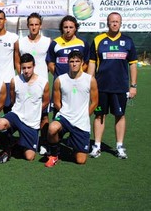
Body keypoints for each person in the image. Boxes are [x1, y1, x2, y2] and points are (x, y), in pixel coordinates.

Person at [87, 12, 138, 159]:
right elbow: (92, 63)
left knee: (120, 115)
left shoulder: (127, 41)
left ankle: (119, 146)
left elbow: (133, 65)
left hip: (120, 87)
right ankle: (96, 146)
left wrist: (133, 85)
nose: (114, 24)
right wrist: (90, 84)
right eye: (112, 21)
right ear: (107, 23)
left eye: (117, 21)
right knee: (99, 115)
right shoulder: (98, 40)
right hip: (100, 87)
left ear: (120, 23)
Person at [45, 51, 98, 167]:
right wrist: (65, 113)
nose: (74, 64)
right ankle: (54, 154)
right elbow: (57, 102)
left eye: (77, 61)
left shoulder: (90, 80)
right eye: (72, 61)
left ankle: (71, 141)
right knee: (52, 128)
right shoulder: (60, 79)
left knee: (80, 160)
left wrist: (85, 115)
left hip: (81, 122)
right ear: (68, 63)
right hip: (65, 117)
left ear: (82, 63)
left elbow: (94, 102)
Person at [0, 53, 50, 164]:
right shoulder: (15, 80)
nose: (26, 71)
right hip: (17, 116)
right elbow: (13, 99)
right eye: (24, 68)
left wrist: (34, 112)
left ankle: (17, 143)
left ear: (34, 66)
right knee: (1, 123)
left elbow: (45, 101)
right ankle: (7, 150)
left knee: (29, 157)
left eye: (29, 67)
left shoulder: (43, 82)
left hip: (32, 123)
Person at [18, 13, 52, 155]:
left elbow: (50, 62)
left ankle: (43, 142)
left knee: (43, 115)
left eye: (36, 24)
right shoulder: (20, 42)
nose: (34, 27)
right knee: (24, 114)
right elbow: (17, 61)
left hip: (41, 85)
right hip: (26, 84)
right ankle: (25, 141)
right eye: (31, 24)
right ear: (27, 26)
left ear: (40, 25)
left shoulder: (48, 41)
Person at [46, 15, 89, 81]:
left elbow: (86, 63)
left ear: (75, 28)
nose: (68, 30)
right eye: (65, 27)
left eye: (71, 27)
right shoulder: (55, 43)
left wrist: (76, 74)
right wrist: (59, 76)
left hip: (78, 81)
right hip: (60, 82)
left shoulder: (83, 43)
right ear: (62, 28)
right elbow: (50, 63)